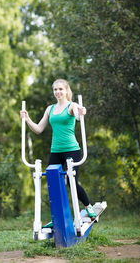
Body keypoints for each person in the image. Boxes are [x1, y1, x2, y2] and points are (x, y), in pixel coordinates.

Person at [20, 79, 97, 227]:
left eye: (60, 89)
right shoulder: (50, 109)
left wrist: (82, 113)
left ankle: (88, 207)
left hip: (72, 150)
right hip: (55, 151)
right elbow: (38, 129)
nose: (58, 92)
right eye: (55, 89)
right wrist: (27, 119)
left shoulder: (71, 106)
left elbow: (78, 115)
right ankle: (58, 217)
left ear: (66, 90)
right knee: (53, 182)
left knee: (71, 182)